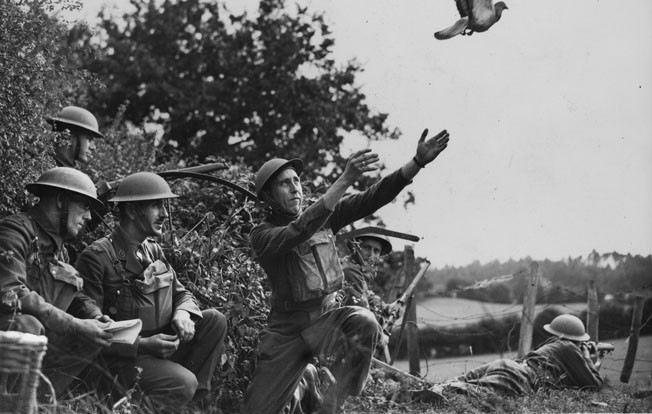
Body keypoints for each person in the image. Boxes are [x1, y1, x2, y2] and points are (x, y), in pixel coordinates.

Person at [242, 128, 450, 414]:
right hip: (286, 332)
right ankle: (306, 381)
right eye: (284, 184)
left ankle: (332, 404)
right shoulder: (262, 234)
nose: (295, 188)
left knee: (364, 321)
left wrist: (417, 161)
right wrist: (344, 179)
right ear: (267, 196)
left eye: (297, 181)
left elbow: (374, 196)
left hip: (325, 321)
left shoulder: (330, 216)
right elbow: (299, 230)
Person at [75, 171, 227, 411]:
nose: (165, 214)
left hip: (158, 346)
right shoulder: (96, 257)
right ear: (133, 211)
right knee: (183, 382)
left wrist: (183, 314)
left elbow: (181, 293)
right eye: (156, 206)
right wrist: (144, 344)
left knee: (214, 321)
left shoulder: (152, 250)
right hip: (122, 360)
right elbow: (91, 333)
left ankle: (190, 405)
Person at [0, 167, 114, 397]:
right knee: (27, 326)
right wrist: (72, 323)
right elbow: (10, 294)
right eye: (84, 206)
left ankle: (40, 401)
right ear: (61, 201)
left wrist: (93, 316)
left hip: (35, 341)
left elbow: (75, 296)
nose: (89, 217)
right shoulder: (14, 232)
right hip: (11, 335)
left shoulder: (58, 249)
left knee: (92, 337)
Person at [437, 314, 604, 398]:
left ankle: (431, 387)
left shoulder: (552, 346)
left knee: (463, 380)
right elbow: (594, 385)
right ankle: (439, 390)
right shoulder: (568, 348)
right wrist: (588, 358)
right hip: (519, 376)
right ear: (576, 340)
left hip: (508, 366)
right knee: (473, 392)